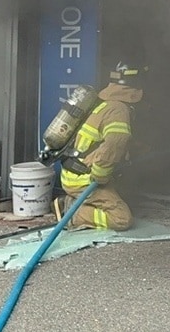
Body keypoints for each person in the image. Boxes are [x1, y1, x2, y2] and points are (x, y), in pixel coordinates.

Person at [56, 63, 146, 231]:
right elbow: (112, 147)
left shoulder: (101, 102)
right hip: (84, 179)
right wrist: (100, 178)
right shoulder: (118, 110)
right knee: (121, 219)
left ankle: (81, 201)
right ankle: (71, 211)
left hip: (72, 171)